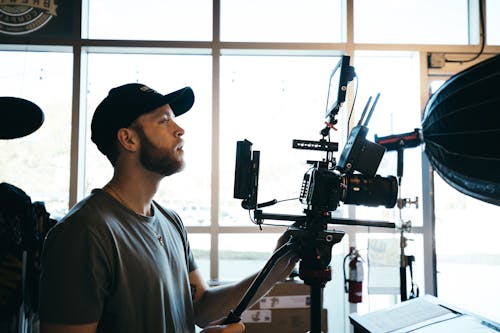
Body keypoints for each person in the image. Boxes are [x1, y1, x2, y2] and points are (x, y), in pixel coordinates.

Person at [38, 83, 299, 333]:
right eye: (164, 121)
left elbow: (200, 308)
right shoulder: (83, 232)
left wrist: (276, 269)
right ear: (128, 139)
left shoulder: (170, 221)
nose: (180, 129)